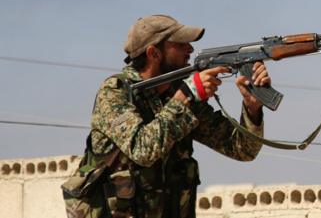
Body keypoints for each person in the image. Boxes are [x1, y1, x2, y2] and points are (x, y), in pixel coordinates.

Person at [88, 14, 270, 218]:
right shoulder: (115, 92)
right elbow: (143, 150)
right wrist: (186, 96)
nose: (190, 50)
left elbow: (243, 149)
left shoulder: (182, 96)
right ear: (153, 53)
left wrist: (252, 108)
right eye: (181, 44)